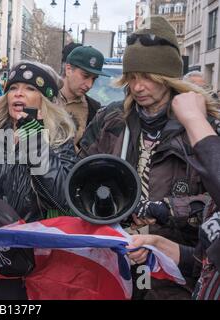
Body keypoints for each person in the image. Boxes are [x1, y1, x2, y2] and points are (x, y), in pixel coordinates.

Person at [79, 16, 220, 299]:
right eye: (132, 77)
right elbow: (81, 175)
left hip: (175, 273)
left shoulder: (202, 125)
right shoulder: (111, 119)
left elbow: (215, 203)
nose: (138, 87)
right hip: (113, 260)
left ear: (166, 78)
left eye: (147, 77)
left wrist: (167, 208)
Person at [0, 60, 78, 299]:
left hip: (29, 267)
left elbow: (62, 199)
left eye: (30, 88)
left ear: (44, 100)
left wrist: (33, 139)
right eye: (14, 87)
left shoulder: (58, 141)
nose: (19, 93)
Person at [128, 92, 220, 299]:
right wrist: (160, 246)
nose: (139, 87)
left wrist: (195, 122)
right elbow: (204, 261)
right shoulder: (115, 119)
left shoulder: (195, 129)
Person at [59, 46, 109, 148]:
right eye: (85, 76)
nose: (89, 85)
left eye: (94, 79)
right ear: (68, 69)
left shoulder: (94, 109)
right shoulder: (43, 99)